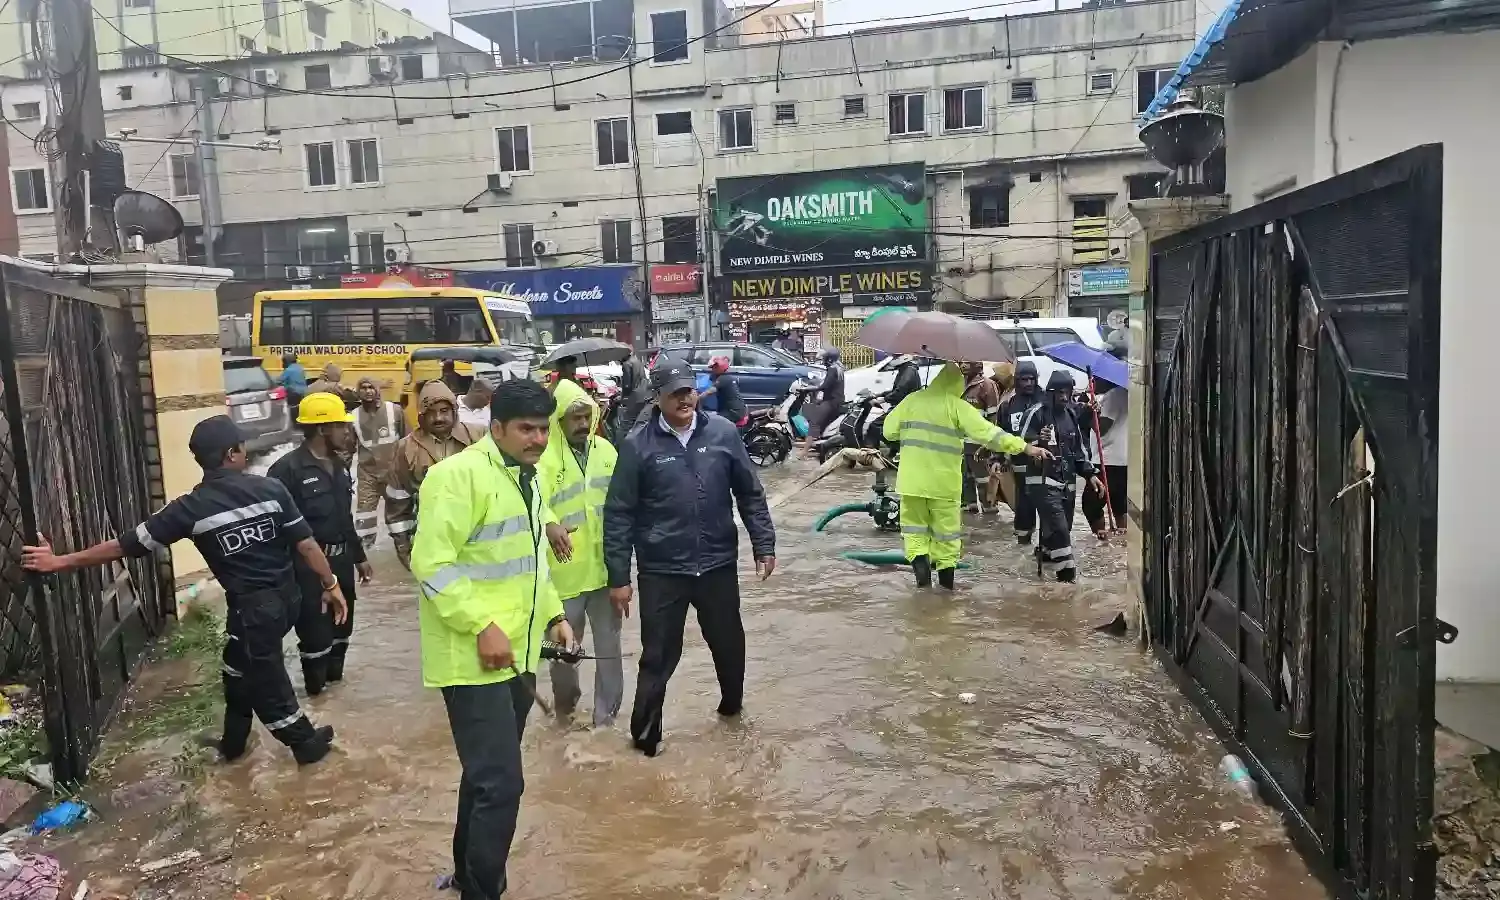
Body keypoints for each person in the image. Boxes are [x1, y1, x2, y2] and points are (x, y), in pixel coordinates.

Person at [21, 416, 344, 765]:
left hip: (254, 612)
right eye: (242, 448)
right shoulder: (271, 490)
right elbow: (307, 546)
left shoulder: (189, 509)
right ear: (232, 453)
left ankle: (306, 746)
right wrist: (331, 585)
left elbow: (125, 546)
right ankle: (234, 744)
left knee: (269, 689)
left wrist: (60, 561)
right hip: (285, 601)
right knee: (237, 668)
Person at [410, 379, 578, 900]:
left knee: (484, 777)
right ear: (496, 427)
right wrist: (481, 625)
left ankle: (466, 875)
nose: (537, 439)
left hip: (518, 654)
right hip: (470, 657)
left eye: (542, 429)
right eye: (525, 429)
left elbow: (527, 564)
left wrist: (554, 615)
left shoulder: (527, 478)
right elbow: (430, 564)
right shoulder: (455, 477)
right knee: (503, 785)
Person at [604, 362, 776, 757]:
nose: (685, 398)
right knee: (658, 656)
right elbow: (618, 514)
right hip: (662, 569)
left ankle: (732, 711)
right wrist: (619, 577)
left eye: (690, 390)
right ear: (657, 397)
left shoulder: (722, 433)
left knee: (729, 643)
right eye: (675, 392)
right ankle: (646, 740)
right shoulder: (637, 446)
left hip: (716, 563)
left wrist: (763, 544)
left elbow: (750, 492)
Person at [883, 362, 1050, 589]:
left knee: (914, 534)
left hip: (911, 484)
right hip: (944, 486)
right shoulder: (956, 407)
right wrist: (1026, 448)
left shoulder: (911, 401)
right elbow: (991, 434)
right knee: (947, 539)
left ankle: (923, 588)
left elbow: (888, 432)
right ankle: (946, 592)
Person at [268, 393, 373, 694]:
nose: (347, 432)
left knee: (343, 632)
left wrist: (359, 557)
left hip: (341, 562)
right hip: (307, 571)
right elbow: (275, 529)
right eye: (341, 426)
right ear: (323, 429)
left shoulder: (339, 466)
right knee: (315, 640)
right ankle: (316, 700)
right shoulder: (286, 470)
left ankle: (335, 703)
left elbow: (344, 517)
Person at [538, 378, 622, 726]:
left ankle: (606, 723)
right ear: (558, 419)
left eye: (587, 415)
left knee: (610, 652)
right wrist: (548, 523)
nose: (583, 424)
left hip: (604, 574)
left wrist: (624, 572)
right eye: (574, 417)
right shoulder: (542, 456)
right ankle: (566, 713)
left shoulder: (606, 451)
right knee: (564, 655)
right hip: (563, 578)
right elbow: (529, 501)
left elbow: (623, 508)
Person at [386, 382, 487, 570]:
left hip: (478, 536)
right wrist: (402, 545)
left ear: (454, 412)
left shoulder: (479, 436)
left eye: (443, 411)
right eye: (431, 413)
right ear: (421, 416)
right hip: (433, 538)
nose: (438, 418)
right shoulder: (406, 449)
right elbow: (397, 500)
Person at [1019, 370, 1105, 583]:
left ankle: (1046, 560)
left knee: (1062, 527)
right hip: (1042, 481)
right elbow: (1020, 445)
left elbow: (1078, 449)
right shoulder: (1035, 413)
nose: (1064, 397)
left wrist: (1090, 474)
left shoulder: (1071, 415)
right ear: (1050, 392)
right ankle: (1067, 580)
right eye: (1059, 393)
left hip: (1066, 483)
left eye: (1067, 392)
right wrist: (1038, 441)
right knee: (1060, 530)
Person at [353, 376, 406, 548]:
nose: (367, 391)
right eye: (363, 387)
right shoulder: (353, 417)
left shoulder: (395, 411)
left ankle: (404, 548)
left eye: (371, 387)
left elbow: (409, 440)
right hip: (368, 474)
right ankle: (365, 554)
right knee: (364, 515)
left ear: (377, 390)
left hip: (395, 473)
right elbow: (346, 449)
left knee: (401, 517)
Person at [997, 361, 1043, 544]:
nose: (1029, 383)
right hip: (1020, 465)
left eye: (1032, 379)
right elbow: (1000, 434)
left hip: (1044, 465)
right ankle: (1023, 544)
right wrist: (998, 459)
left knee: (1049, 510)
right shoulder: (1008, 406)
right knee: (1024, 505)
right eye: (1024, 379)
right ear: (1016, 381)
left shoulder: (1046, 401)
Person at [1080, 378, 1128, 535]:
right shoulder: (1125, 393)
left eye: (1095, 379)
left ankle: (1102, 541)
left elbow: (1102, 428)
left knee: (1090, 505)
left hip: (1107, 461)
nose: (1092, 382)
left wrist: (1087, 415)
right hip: (1121, 459)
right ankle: (1121, 544)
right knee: (1119, 505)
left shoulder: (1112, 396)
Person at [959, 361, 1002, 514]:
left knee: (984, 483)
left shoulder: (987, 386)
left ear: (977, 365)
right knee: (965, 480)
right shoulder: (958, 384)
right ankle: (969, 507)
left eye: (966, 363)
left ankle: (989, 509)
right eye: (961, 363)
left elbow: (994, 418)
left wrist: (989, 444)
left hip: (979, 445)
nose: (962, 366)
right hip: (961, 444)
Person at [803, 346, 845, 453]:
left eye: (823, 358)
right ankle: (818, 442)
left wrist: (808, 388)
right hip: (837, 400)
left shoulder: (832, 369)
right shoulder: (839, 367)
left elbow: (825, 386)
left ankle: (803, 452)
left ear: (829, 359)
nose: (822, 361)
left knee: (814, 422)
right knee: (817, 408)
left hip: (831, 401)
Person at [611, 355, 652, 443]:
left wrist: (621, 397)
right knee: (640, 422)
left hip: (635, 397)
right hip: (645, 394)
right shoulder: (637, 360)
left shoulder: (627, 364)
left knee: (626, 424)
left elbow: (627, 385)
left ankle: (619, 445)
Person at [701, 357, 747, 427]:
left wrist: (696, 399)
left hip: (733, 412)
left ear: (720, 367)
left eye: (715, 367)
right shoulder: (727, 377)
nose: (712, 369)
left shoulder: (723, 379)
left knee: (711, 422)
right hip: (736, 410)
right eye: (712, 367)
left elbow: (708, 392)